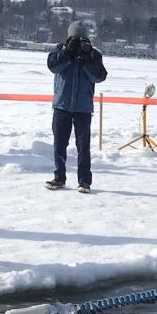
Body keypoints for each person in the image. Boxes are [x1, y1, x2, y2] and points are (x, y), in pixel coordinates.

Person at [46, 21, 107, 193]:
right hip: (62, 106)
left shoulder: (93, 54)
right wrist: (67, 52)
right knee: (59, 143)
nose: (79, 41)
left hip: (83, 108)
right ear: (68, 36)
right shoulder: (59, 50)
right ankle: (59, 178)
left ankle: (84, 181)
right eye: (75, 38)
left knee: (83, 146)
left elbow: (100, 77)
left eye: (82, 38)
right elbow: (53, 66)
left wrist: (87, 59)